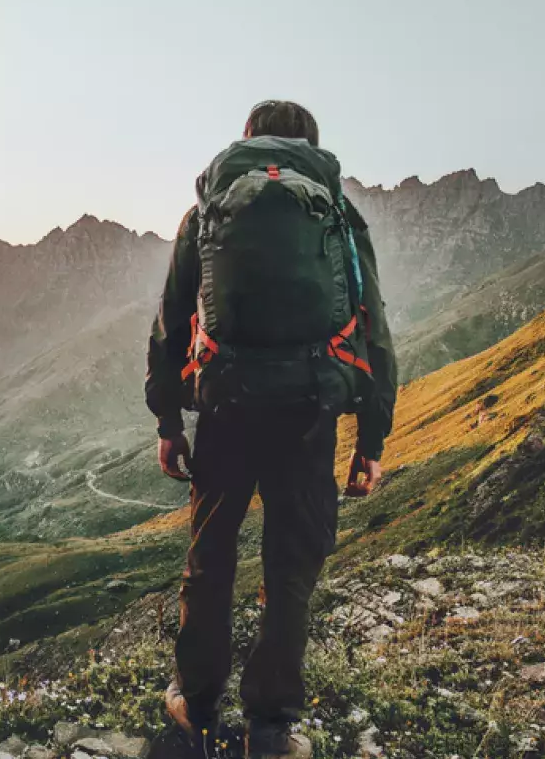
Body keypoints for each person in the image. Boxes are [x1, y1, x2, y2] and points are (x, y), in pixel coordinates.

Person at [144, 100, 397, 759]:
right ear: (312, 146)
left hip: (227, 410)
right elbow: (374, 329)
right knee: (291, 566)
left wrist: (169, 422)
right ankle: (270, 727)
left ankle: (195, 703)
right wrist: (371, 442)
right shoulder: (339, 217)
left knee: (210, 557)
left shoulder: (207, 214)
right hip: (309, 415)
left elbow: (172, 325)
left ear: (248, 142)